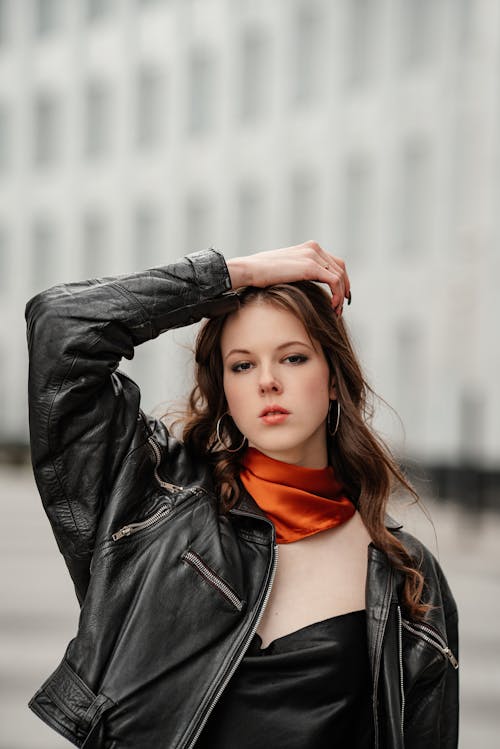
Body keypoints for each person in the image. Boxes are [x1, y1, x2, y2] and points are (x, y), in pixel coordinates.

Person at [25, 241, 459, 749]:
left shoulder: (404, 575)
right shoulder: (154, 499)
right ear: (224, 390)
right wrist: (233, 274)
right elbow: (61, 327)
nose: (269, 382)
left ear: (334, 380)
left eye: (293, 358)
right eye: (243, 365)